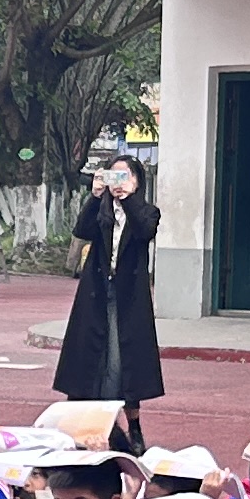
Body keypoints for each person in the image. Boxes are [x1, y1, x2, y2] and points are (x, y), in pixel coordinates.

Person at [52, 152, 162, 453]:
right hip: (97, 292)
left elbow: (145, 230)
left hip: (129, 297)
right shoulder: (101, 211)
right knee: (89, 357)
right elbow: (81, 231)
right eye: (114, 176)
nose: (119, 183)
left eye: (125, 176)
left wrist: (128, 199)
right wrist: (96, 195)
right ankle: (79, 423)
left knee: (123, 360)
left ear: (137, 181)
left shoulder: (147, 211)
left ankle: (133, 426)